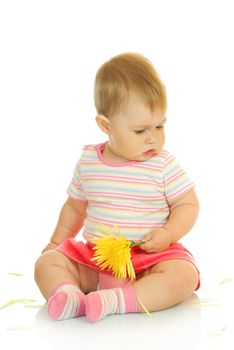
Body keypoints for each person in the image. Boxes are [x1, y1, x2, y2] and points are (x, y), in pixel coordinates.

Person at [34, 52, 200, 323]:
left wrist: (169, 234)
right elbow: (75, 207)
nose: (153, 138)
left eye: (159, 125)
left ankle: (116, 301)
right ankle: (68, 294)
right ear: (105, 125)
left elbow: (188, 204)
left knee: (184, 275)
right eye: (140, 130)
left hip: (147, 260)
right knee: (46, 263)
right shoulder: (89, 161)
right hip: (97, 257)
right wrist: (55, 242)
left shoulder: (163, 165)